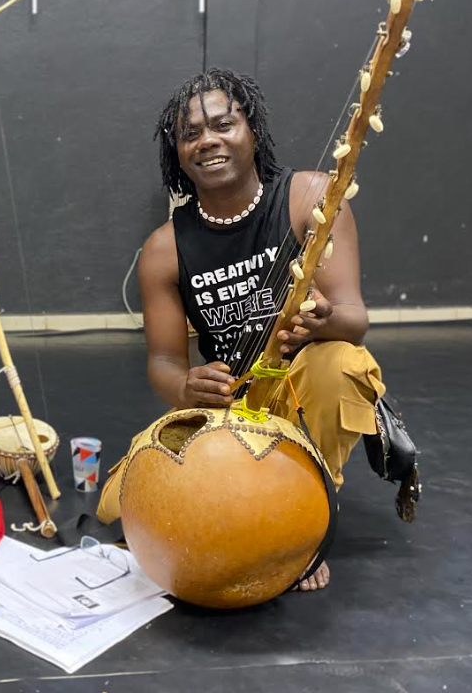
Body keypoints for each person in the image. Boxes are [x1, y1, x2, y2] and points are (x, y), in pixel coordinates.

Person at [98, 68, 384, 592]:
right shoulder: (164, 249)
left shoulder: (309, 198)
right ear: (178, 154)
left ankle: (302, 527)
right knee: (122, 506)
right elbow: (163, 362)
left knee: (341, 364)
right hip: (227, 407)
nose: (207, 139)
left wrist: (323, 323)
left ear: (251, 130)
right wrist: (186, 387)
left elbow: (355, 320)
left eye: (222, 124)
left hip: (295, 391)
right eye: (190, 134)